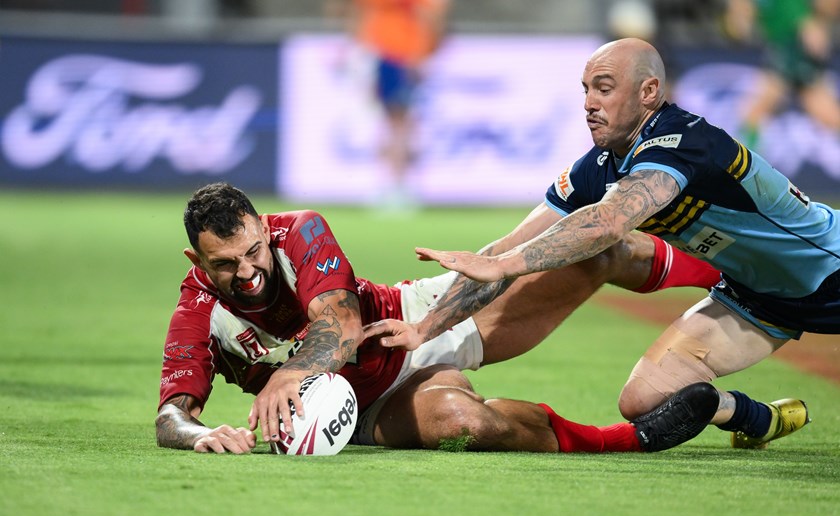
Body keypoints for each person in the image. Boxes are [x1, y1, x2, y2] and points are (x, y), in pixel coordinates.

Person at [367, 38, 829, 450]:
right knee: (643, 399)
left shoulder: (682, 141)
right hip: (755, 299)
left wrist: (507, 264)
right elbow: (502, 249)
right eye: (585, 89)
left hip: (829, 270)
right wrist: (424, 330)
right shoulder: (599, 165)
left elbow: (608, 223)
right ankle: (753, 416)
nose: (589, 103)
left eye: (603, 88)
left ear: (648, 92)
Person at [156, 182, 722, 454]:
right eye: (226, 265)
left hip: (412, 322)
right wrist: (200, 435)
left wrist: (287, 374)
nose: (249, 272)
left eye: (253, 251)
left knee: (592, 253)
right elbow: (171, 418)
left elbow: (343, 326)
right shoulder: (197, 313)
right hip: (362, 410)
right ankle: (633, 439)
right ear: (197, 261)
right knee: (463, 424)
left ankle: (733, 275)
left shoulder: (298, 230)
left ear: (263, 227)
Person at [324, 0, 450, 208]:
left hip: (397, 54)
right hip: (386, 54)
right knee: (393, 122)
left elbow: (431, 16)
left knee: (399, 122)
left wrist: (421, 53)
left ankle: (398, 186)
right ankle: (394, 184)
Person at [724, 0, 840, 149]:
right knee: (826, 113)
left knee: (757, 109)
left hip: (793, 45)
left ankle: (746, 165)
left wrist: (807, 24)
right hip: (785, 46)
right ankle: (746, 163)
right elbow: (740, 22)